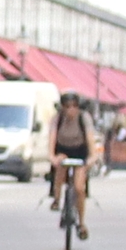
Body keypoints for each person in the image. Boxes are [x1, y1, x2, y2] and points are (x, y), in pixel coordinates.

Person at [49, 90, 93, 238]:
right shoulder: (57, 119)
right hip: (63, 149)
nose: (71, 110)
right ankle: (56, 198)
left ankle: (81, 223)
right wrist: (52, 157)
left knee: (80, 188)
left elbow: (90, 140)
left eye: (74, 106)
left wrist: (92, 158)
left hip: (80, 150)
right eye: (67, 106)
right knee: (60, 169)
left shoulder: (84, 118)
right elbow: (52, 139)